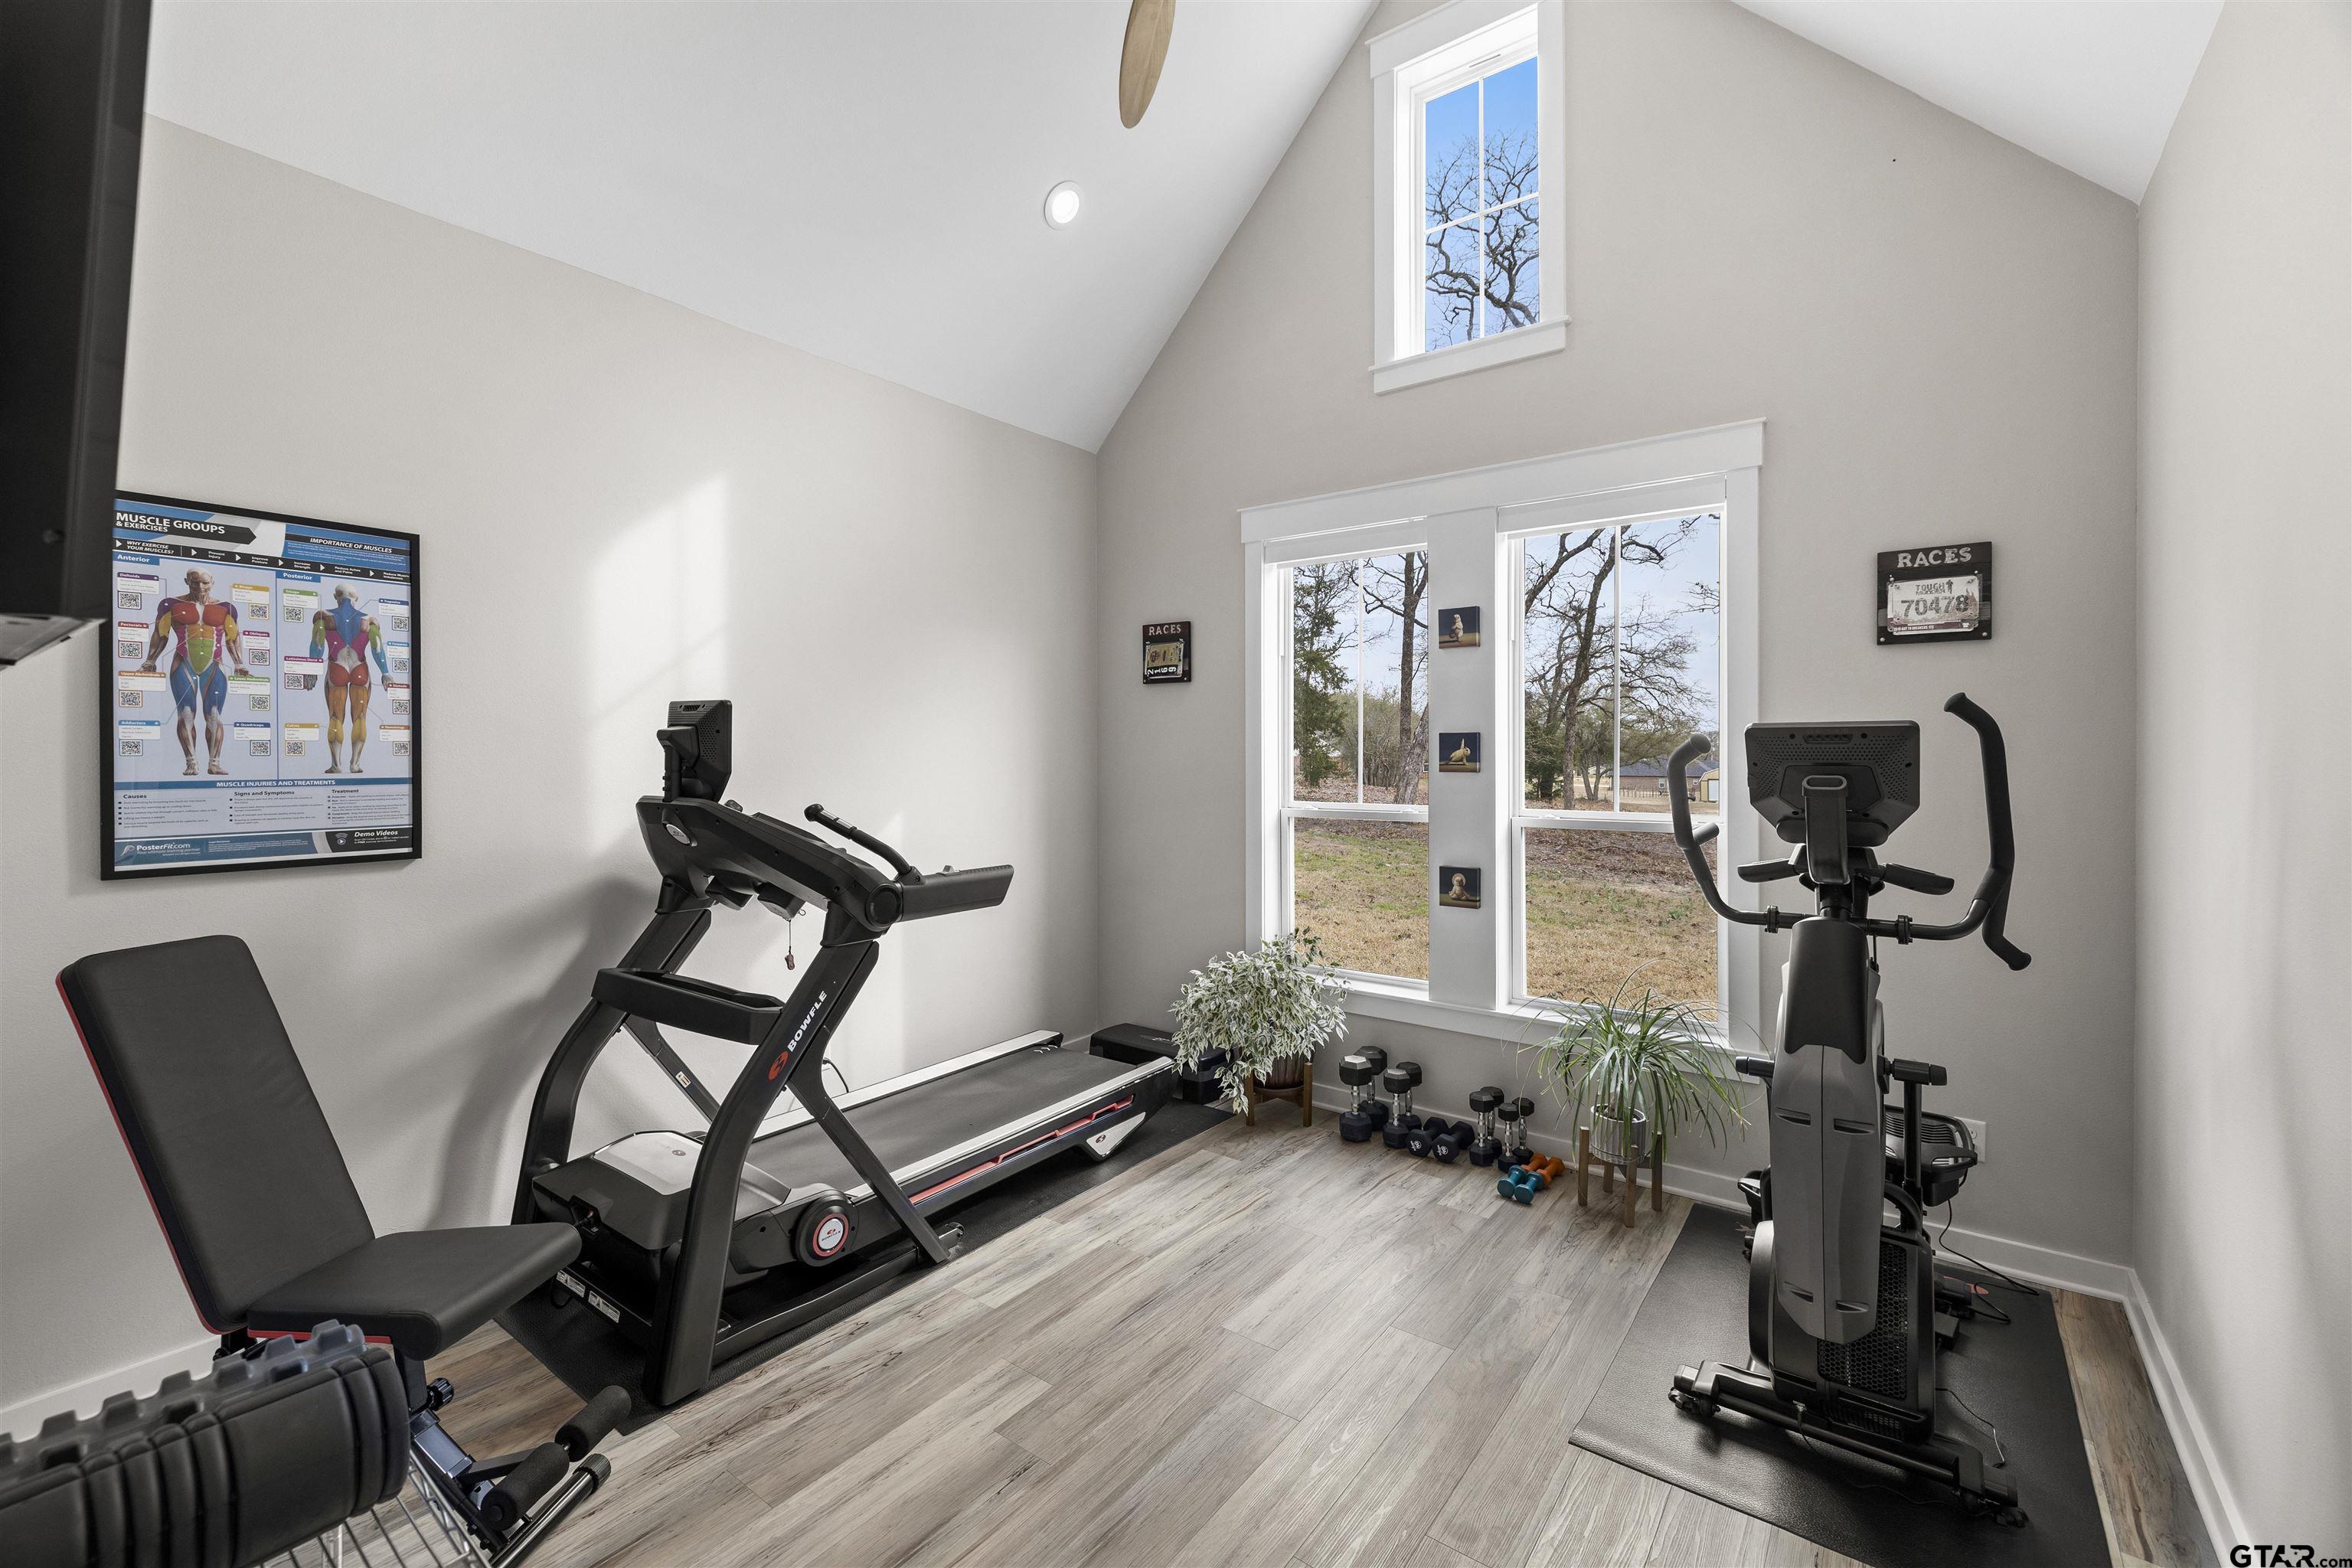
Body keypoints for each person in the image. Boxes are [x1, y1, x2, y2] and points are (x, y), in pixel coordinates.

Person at [142, 567, 247, 776]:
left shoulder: (226, 608)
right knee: (187, 714)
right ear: (186, 581)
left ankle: (214, 762)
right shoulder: (170, 604)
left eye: (205, 583)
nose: (200, 587)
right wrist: (150, 660)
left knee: (214, 716)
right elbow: (160, 634)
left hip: (214, 666)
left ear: (212, 583)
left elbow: (232, 638)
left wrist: (239, 663)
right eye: (195, 582)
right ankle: (192, 762)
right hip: (183, 663)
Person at [310, 586, 389, 774]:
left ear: (335, 597)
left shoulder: (323, 616)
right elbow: (377, 648)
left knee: (335, 716)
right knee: (360, 717)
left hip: (337, 669)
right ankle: (355, 764)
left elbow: (318, 642)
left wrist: (311, 671)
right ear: (357, 598)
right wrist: (385, 672)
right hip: (360, 669)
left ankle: (336, 765)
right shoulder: (369, 620)